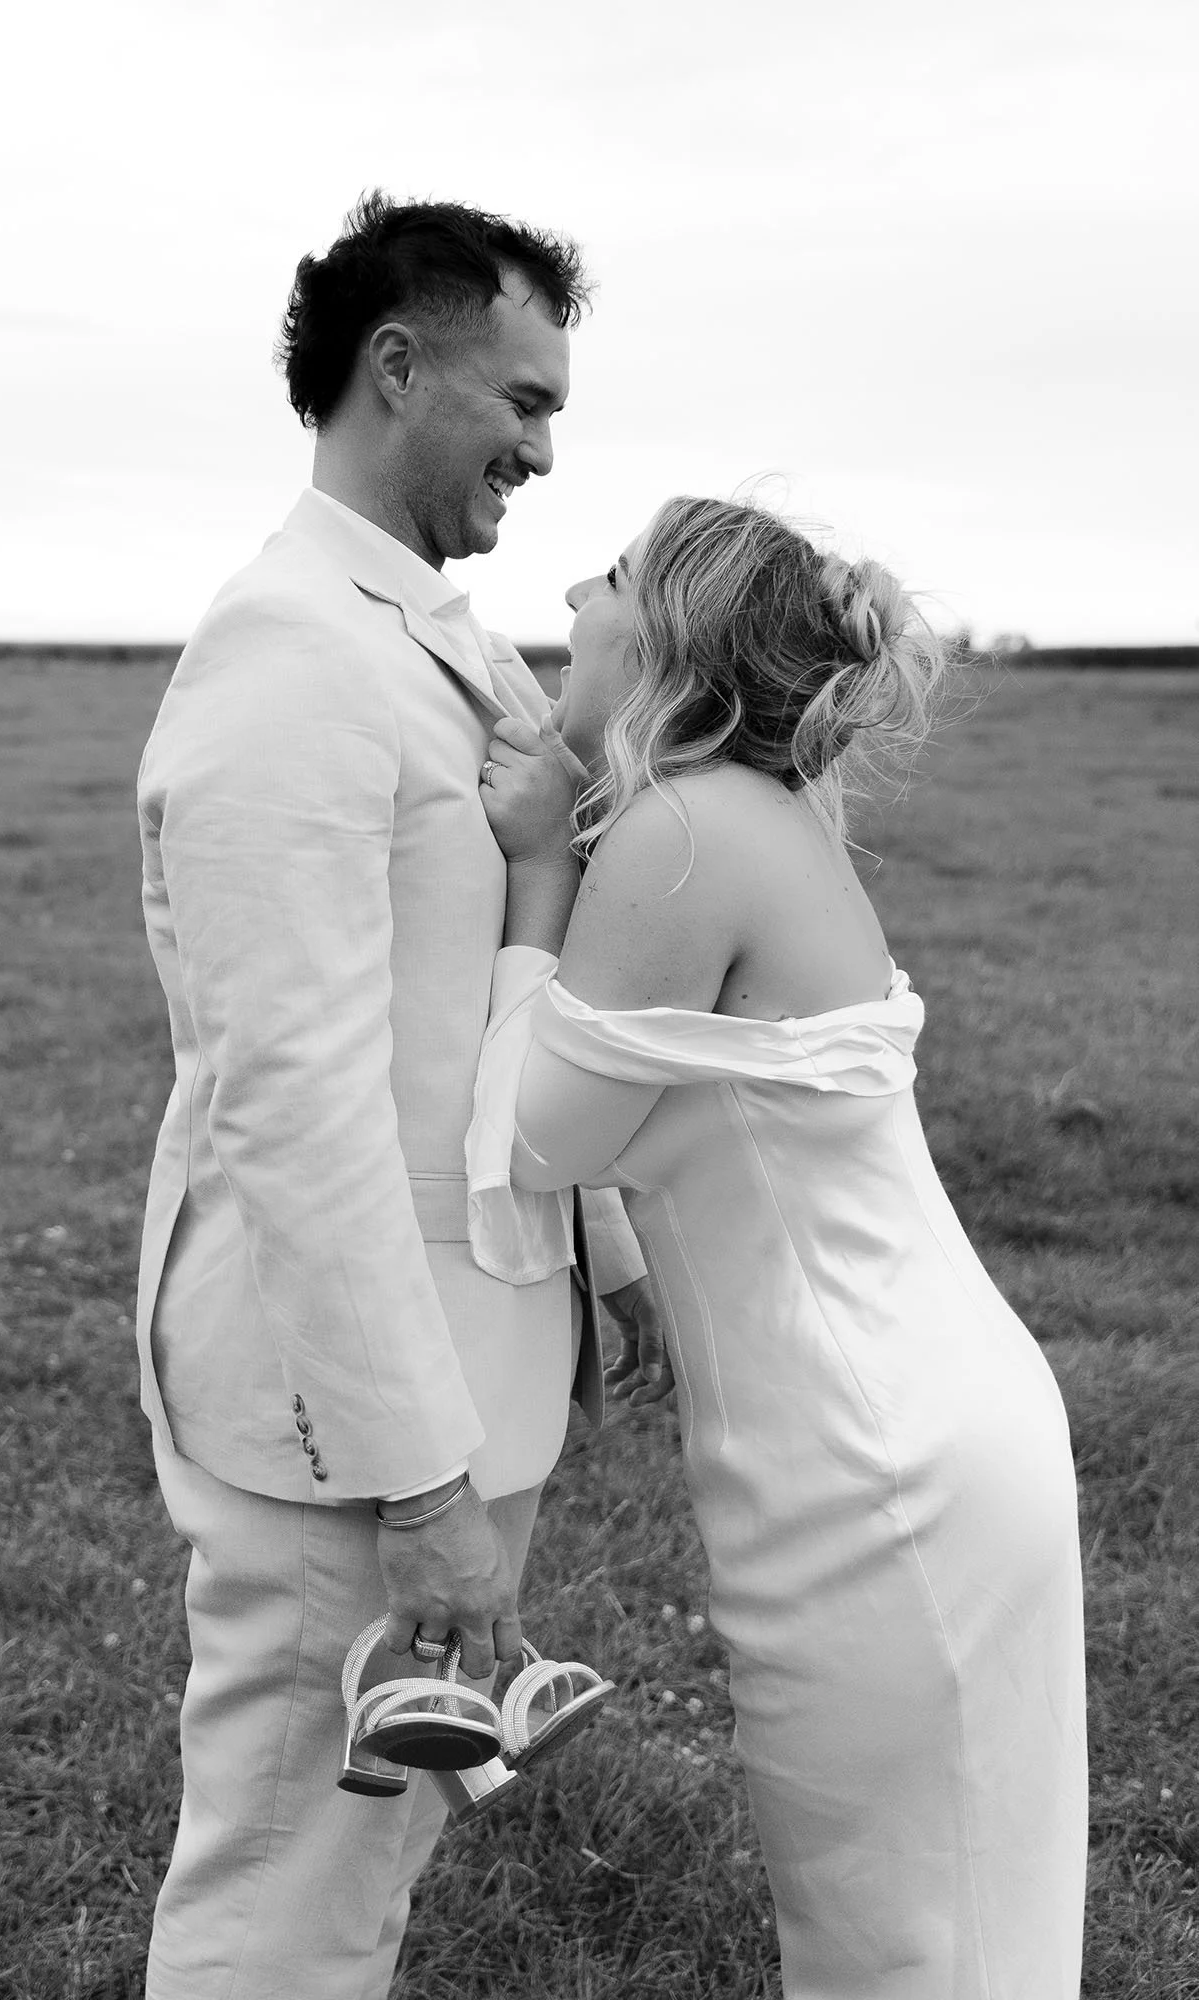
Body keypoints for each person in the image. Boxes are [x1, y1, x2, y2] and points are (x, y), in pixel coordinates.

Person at [133, 192, 654, 2000]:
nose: (544, 445)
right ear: (397, 364)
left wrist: (598, 1251)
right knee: (288, 1888)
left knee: (361, 1881)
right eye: (521, 398)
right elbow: (297, 1103)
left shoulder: (429, 624)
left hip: (460, 1360)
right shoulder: (293, 649)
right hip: (345, 1422)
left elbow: (474, 1007)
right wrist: (415, 1478)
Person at [469, 494, 1088, 1999]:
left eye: (608, 575)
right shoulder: (751, 808)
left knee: (903, 1943)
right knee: (941, 1919)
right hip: (910, 1427)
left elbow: (533, 1141)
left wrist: (540, 866)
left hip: (873, 1473)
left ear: (666, 631)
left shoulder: (681, 832)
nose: (570, 588)